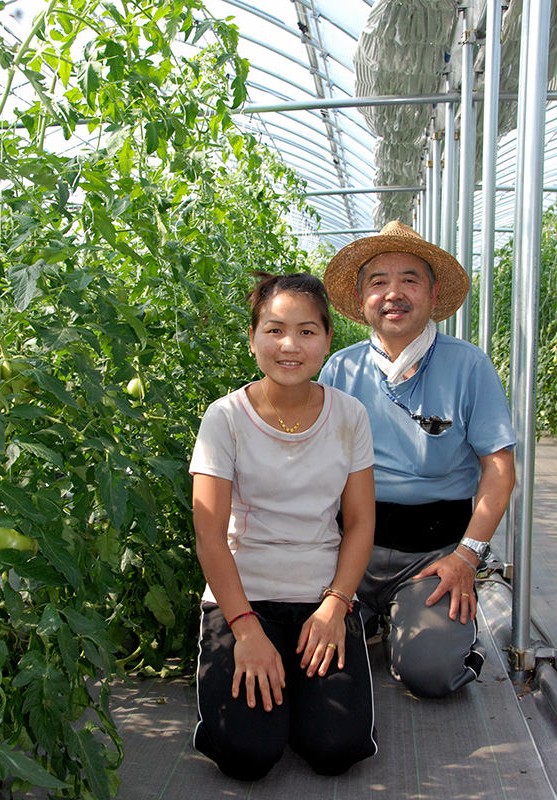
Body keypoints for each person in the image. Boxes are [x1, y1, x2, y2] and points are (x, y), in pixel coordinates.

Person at [189, 272, 378, 781]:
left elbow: (360, 523)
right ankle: (254, 687)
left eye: (307, 331)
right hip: (243, 601)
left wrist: (336, 606)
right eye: (274, 330)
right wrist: (245, 629)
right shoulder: (224, 418)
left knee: (337, 749)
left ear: (328, 341)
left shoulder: (349, 415)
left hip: (321, 600)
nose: (289, 345)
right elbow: (210, 534)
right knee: (247, 755)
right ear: (252, 340)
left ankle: (299, 694)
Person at [319, 220, 516, 699]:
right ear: (362, 298)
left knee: (431, 674)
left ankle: (433, 631)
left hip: (432, 558)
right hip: (348, 555)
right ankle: (373, 617)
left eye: (409, 279)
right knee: (315, 659)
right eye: (378, 282)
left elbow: (499, 469)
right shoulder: (339, 368)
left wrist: (467, 555)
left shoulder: (468, 366)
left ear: (432, 292)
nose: (393, 294)